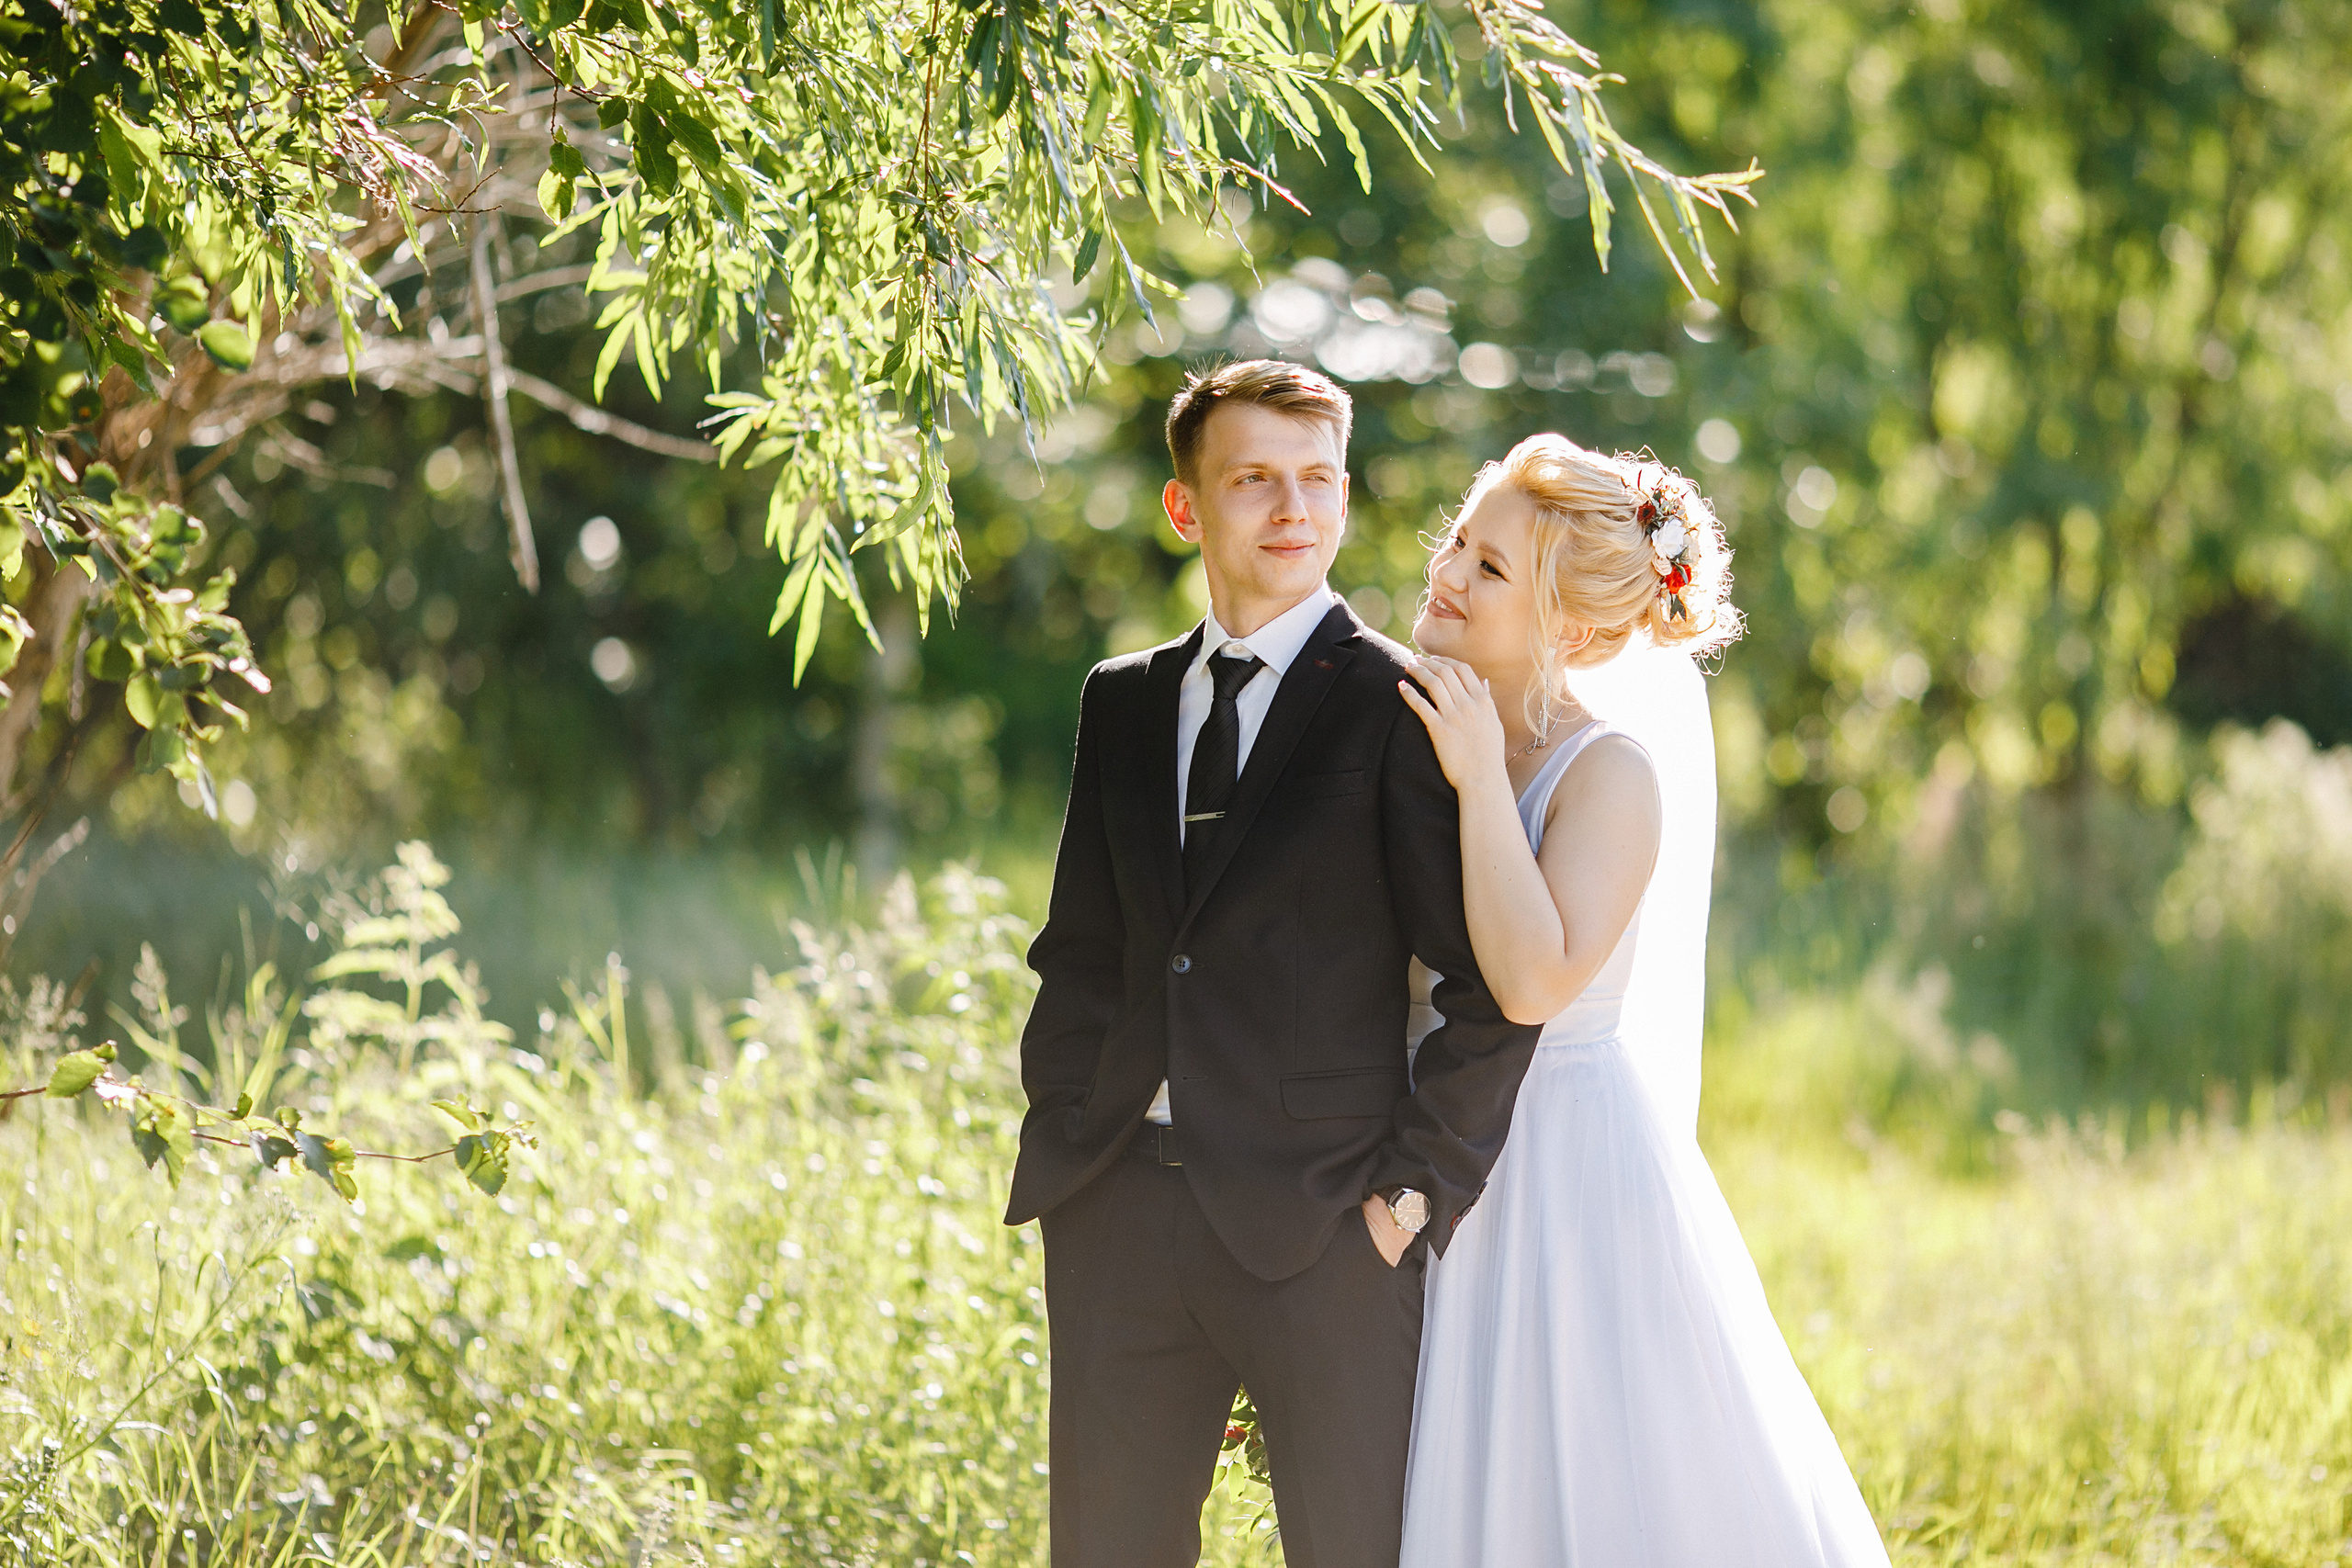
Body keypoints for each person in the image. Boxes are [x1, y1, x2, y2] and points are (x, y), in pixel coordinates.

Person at [1005, 360, 1542, 1568]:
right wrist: (1069, 1140)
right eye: (1253, 479)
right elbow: (1081, 951)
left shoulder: (1405, 705)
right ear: (1185, 506)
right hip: (1117, 1211)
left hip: (1328, 1228)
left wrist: (1407, 1201)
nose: (1293, 507)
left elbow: (1491, 990)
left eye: (1317, 479)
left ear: (1345, 495)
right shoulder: (1122, 700)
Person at [1395, 434, 1892, 1566]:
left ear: (1571, 630)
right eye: (1458, 542)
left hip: (1559, 1174)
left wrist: (1477, 777)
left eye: (1488, 568)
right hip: (1424, 1148)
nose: (1447, 573)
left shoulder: (1609, 773)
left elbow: (1530, 982)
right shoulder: (1415, 726)